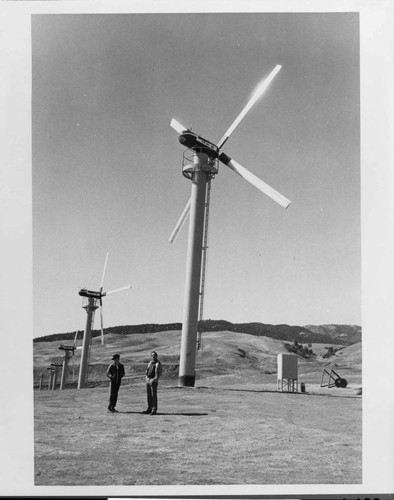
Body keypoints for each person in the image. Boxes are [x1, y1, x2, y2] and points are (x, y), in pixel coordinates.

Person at [143, 351, 162, 415]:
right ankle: (149, 408)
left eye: (154, 355)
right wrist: (146, 377)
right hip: (148, 379)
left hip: (153, 381)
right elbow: (147, 370)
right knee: (149, 395)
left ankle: (154, 409)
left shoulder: (158, 363)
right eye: (152, 355)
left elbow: (160, 372)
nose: (153, 357)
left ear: (156, 356)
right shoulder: (150, 362)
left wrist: (155, 379)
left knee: (153, 395)